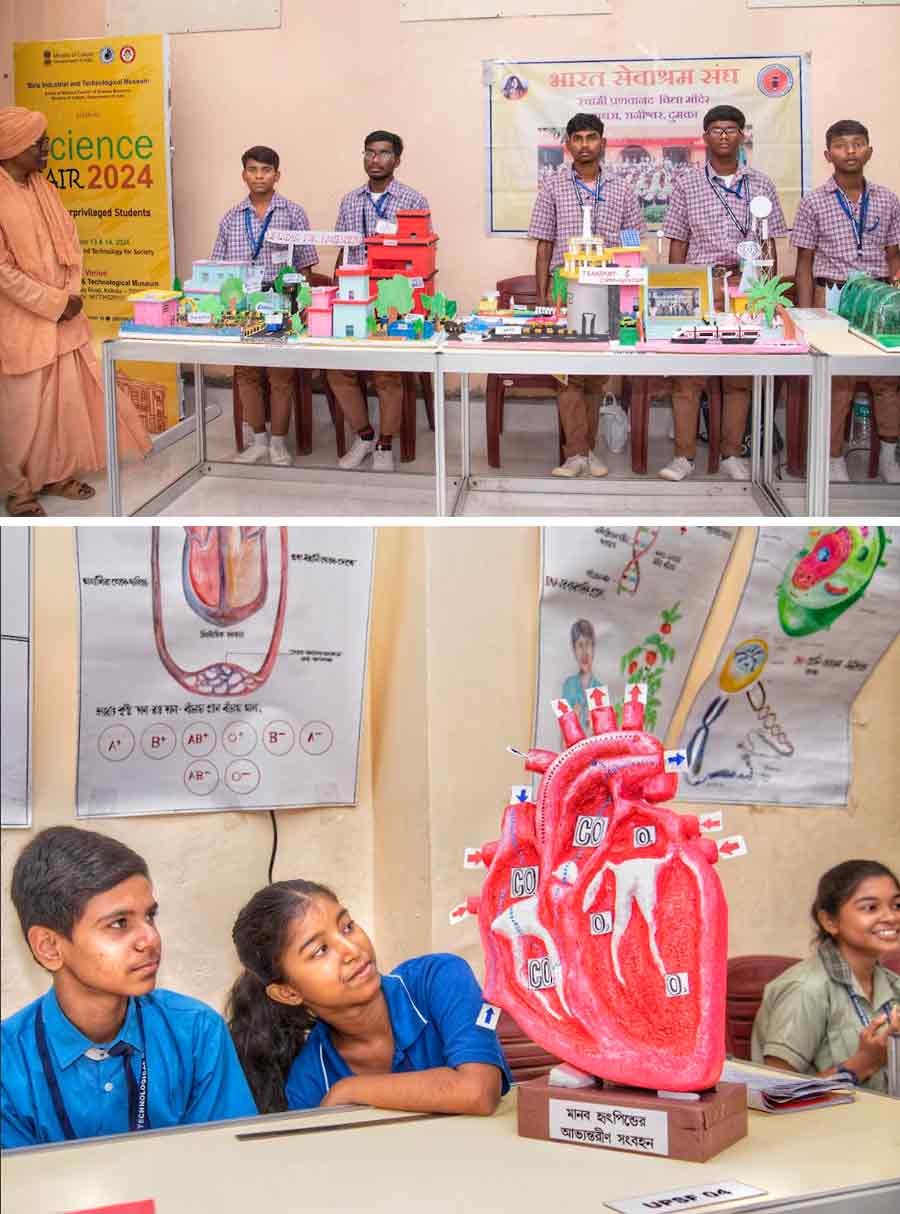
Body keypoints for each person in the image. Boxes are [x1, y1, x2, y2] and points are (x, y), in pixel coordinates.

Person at [1, 827, 257, 1147]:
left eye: (149, 917)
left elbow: (226, 1164)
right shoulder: (8, 1064)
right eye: (119, 923)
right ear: (49, 947)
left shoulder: (196, 1033)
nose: (150, 939)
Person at [227, 879, 511, 1115]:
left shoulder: (439, 979)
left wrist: (350, 1089)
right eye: (320, 950)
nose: (352, 949)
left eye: (347, 926)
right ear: (288, 992)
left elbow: (478, 1091)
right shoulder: (311, 1080)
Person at [0, 106, 151, 517]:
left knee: (60, 404)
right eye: (38, 143)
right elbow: (2, 271)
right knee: (22, 411)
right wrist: (52, 303)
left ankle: (54, 474)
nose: (46, 148)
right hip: (21, 322)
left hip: (63, 316)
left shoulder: (43, 188)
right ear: (12, 148)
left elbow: (71, 244)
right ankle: (17, 490)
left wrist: (69, 295)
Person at [661, 105, 788, 483]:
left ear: (742, 135)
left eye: (731, 129)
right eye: (716, 129)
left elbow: (768, 245)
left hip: (746, 287)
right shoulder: (687, 183)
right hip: (701, 284)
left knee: (738, 376)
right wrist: (674, 290)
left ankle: (732, 452)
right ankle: (683, 456)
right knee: (687, 376)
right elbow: (678, 242)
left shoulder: (761, 184)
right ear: (705, 137)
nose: (723, 136)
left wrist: (768, 295)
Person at [529, 113, 645, 478]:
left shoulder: (622, 188)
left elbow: (633, 243)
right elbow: (544, 244)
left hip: (608, 287)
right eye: (576, 138)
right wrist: (543, 293)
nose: (583, 144)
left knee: (595, 376)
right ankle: (575, 454)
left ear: (603, 143)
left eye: (590, 137)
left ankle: (589, 450)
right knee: (567, 375)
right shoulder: (552, 186)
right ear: (568, 145)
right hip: (566, 286)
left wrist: (630, 294)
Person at [792, 119, 900, 485]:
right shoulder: (813, 202)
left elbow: (894, 255)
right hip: (832, 296)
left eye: (857, 144)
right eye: (841, 145)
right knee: (838, 380)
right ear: (828, 155)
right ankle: (833, 456)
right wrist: (804, 315)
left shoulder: (887, 199)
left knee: (887, 383)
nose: (850, 151)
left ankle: (889, 453)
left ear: (869, 150)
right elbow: (803, 263)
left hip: (878, 299)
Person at [751, 859, 900, 1093]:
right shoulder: (806, 988)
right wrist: (864, 1063)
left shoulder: (893, 984)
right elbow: (775, 1094)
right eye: (870, 908)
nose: (891, 917)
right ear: (829, 921)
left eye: (896, 906)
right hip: (824, 1128)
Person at [211, 145, 317, 467]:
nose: (259, 176)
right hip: (243, 307)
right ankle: (258, 439)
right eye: (253, 170)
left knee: (279, 376)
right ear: (244, 174)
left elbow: (306, 266)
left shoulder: (293, 213)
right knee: (246, 373)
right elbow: (218, 270)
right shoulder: (231, 218)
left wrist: (297, 309)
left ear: (277, 175)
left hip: (281, 305)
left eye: (266, 170)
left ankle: (279, 442)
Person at [329, 131, 429, 473]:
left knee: (387, 374)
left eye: (384, 154)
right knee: (338, 369)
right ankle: (365, 435)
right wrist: (336, 292)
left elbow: (421, 255)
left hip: (394, 300)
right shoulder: (350, 200)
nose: (375, 160)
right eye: (370, 153)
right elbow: (343, 250)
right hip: (355, 297)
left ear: (397, 160)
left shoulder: (413, 199)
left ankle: (386, 444)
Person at [561, 618, 601, 729]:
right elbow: (564, 740)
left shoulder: (600, 688)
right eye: (580, 645)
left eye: (588, 644)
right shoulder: (569, 685)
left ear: (593, 648)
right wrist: (574, 718)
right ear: (574, 650)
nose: (584, 652)